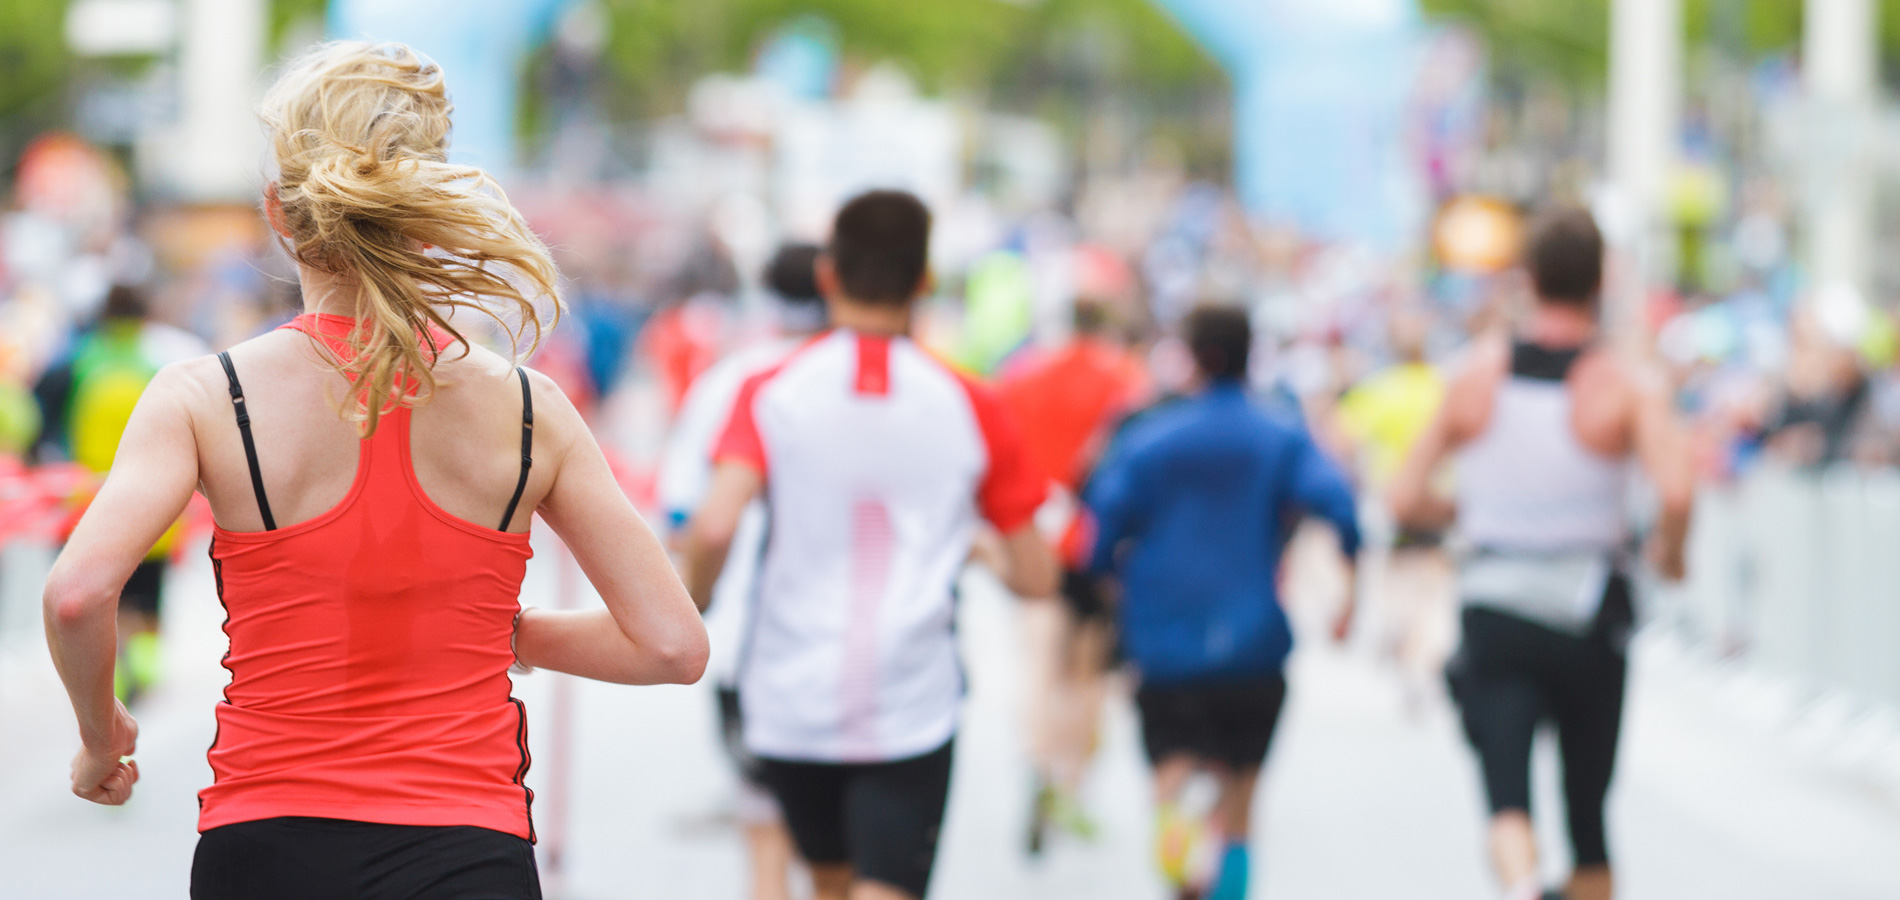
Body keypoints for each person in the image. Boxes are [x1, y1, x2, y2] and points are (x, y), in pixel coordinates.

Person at [41, 42, 708, 900]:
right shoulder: (530, 409)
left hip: (265, 845)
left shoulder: (207, 398)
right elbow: (672, 644)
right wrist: (510, 632)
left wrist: (102, 737)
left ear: (278, 214)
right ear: (424, 211)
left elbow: (76, 593)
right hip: (468, 847)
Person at [683, 190, 1058, 900]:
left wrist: (693, 600)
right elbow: (1037, 578)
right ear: (925, 281)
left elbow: (714, 523)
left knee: (828, 883)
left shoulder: (770, 389)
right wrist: (977, 551)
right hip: (911, 698)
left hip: (789, 693)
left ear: (829, 276)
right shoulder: (972, 403)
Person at [1389, 207, 1693, 900]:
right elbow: (1676, 491)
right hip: (1590, 610)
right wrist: (1670, 556)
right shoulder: (1626, 385)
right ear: (1601, 283)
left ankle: (1523, 887)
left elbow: (1403, 496)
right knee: (1588, 816)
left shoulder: (1473, 377)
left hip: (1496, 601)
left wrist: (1473, 510)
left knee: (1506, 801)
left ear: (1526, 280)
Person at [1086, 304, 1361, 900]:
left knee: (1171, 778)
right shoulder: (1281, 435)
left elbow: (1099, 532)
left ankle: (1179, 877)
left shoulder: (1148, 439)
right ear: (1250, 354)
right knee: (1240, 801)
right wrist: (1349, 593)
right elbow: (1341, 505)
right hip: (1253, 641)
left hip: (1165, 640)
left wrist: (1109, 586)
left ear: (1188, 355)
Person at [658, 242, 826, 900]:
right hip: (861, 650)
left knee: (765, 835)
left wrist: (695, 596)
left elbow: (684, 514)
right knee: (839, 845)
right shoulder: (871, 378)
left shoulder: (731, 381)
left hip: (747, 642)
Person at [994, 298, 1149, 853]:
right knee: (1088, 673)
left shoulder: (1023, 375)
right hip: (1097, 540)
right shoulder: (1126, 379)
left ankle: (1038, 762)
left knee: (1037, 662)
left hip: (1034, 531)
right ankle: (1072, 782)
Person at [34, 282, 208, 703]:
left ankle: (109, 677)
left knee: (102, 592)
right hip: (156, 501)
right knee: (150, 588)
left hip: (88, 499)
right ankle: (146, 667)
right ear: (144, 319)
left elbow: (40, 423)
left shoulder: (74, 364)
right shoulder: (161, 369)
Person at [1333, 308, 1453, 713]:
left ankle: (1404, 645)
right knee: (1432, 581)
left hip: (1392, 500)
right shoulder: (1444, 387)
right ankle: (1420, 649)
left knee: (1397, 575)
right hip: (1438, 501)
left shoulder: (1378, 389)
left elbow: (1339, 439)